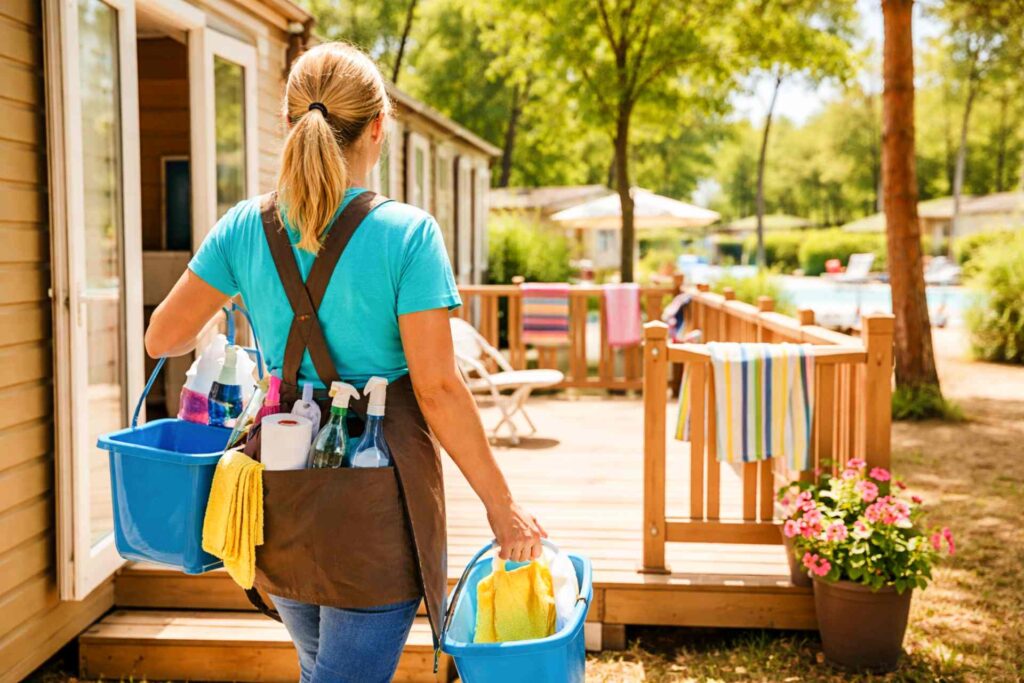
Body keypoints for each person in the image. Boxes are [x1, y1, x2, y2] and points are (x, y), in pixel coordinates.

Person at [145, 42, 545, 682]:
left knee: (321, 670)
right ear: (378, 126)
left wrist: (237, 318)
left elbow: (162, 337)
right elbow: (438, 388)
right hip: (375, 498)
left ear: (290, 123)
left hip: (283, 478)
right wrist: (502, 506)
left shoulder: (244, 227)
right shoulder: (407, 235)